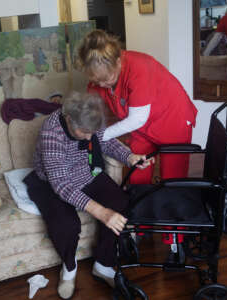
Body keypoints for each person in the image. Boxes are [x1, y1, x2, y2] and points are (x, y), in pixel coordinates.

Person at [78, 29, 198, 256]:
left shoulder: (139, 67)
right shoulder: (98, 82)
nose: (103, 84)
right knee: (136, 175)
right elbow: (92, 113)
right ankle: (139, 229)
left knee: (172, 182)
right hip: (142, 129)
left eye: (107, 78)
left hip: (171, 119)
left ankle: (176, 240)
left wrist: (99, 136)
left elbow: (137, 118)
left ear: (118, 61)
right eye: (97, 80)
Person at [23, 92, 152, 299]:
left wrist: (130, 156)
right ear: (68, 119)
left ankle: (103, 264)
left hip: (85, 173)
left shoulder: (91, 120)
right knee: (66, 224)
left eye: (92, 131)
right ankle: (69, 268)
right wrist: (101, 212)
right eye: (84, 132)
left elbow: (106, 142)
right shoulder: (51, 132)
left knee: (120, 203)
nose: (90, 137)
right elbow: (61, 184)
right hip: (51, 182)